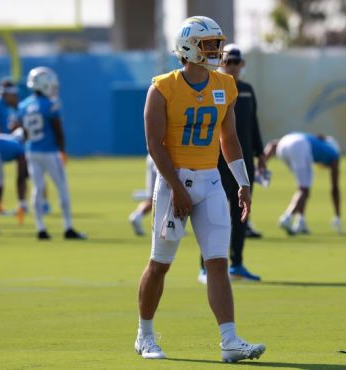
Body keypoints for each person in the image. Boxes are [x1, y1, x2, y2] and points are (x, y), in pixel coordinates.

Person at [135, 16, 265, 362]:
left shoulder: (226, 84)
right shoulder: (162, 87)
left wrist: (242, 182)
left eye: (217, 44)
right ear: (188, 47)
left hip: (210, 180)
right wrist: (176, 188)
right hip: (174, 179)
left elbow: (230, 139)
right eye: (209, 44)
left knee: (218, 262)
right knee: (160, 262)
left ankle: (230, 340)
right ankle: (145, 335)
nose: (216, 50)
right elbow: (154, 144)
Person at [198, 44, 267, 283]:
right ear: (220, 62)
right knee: (213, 213)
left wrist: (261, 155)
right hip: (216, 160)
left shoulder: (246, 90)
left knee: (241, 213)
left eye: (237, 62)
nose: (233, 66)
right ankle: (205, 267)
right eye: (229, 61)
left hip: (243, 161)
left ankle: (237, 264)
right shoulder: (212, 87)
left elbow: (253, 125)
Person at [16, 66, 85, 241]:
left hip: (31, 150)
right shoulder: (50, 104)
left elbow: (23, 131)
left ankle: (40, 228)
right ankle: (68, 227)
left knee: (37, 189)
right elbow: (57, 129)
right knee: (62, 189)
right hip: (49, 152)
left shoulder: (23, 105)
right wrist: (62, 149)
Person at [263, 132, 341, 235]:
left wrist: (260, 165)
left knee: (303, 188)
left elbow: (273, 145)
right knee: (304, 190)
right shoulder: (333, 154)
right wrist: (337, 215)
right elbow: (334, 188)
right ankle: (287, 217)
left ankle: (300, 222)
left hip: (284, 146)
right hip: (299, 147)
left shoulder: (314, 141)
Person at [128, 155, 157, 236]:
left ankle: (137, 215)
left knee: (152, 197)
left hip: (152, 155)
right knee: (169, 194)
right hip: (167, 156)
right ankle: (172, 225)